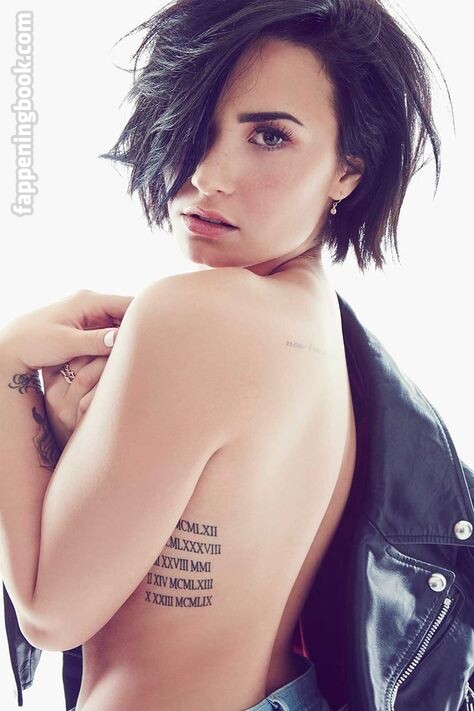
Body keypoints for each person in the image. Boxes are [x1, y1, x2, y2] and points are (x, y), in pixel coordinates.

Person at [1, 1, 473, 710]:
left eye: (270, 136)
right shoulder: (323, 332)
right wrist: (78, 444)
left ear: (348, 170)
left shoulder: (196, 314)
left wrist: (7, 367)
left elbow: (49, 611)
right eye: (198, 122)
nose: (209, 173)